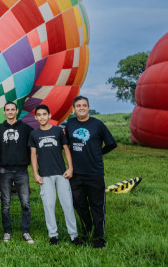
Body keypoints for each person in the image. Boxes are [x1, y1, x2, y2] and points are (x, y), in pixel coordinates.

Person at [65, 96, 117, 248]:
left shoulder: (98, 125)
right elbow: (66, 143)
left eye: (84, 105)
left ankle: (99, 237)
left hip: (94, 173)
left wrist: (98, 153)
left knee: (97, 205)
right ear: (74, 109)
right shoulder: (71, 123)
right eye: (78, 105)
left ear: (88, 108)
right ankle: (86, 233)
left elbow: (111, 144)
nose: (81, 108)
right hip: (76, 174)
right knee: (80, 205)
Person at [29, 105, 82, 246]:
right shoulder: (34, 134)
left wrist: (70, 168)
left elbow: (66, 150)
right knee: (48, 205)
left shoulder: (58, 131)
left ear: (49, 115)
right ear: (36, 117)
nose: (42, 117)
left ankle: (73, 235)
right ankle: (53, 235)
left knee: (67, 205)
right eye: (39, 115)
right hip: (45, 175)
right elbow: (33, 155)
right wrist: (35, 173)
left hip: (61, 174)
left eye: (44, 114)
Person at [0, 101, 34, 244]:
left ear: (17, 111)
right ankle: (7, 231)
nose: (10, 112)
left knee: (25, 203)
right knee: (5, 204)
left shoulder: (26, 129)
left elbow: (37, 139)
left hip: (22, 170)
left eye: (12, 109)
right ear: (4, 112)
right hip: (5, 170)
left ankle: (25, 231)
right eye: (7, 110)